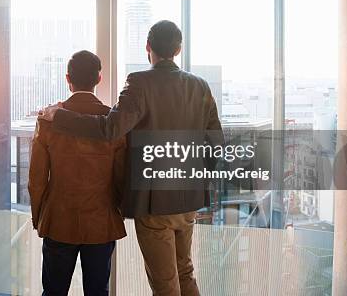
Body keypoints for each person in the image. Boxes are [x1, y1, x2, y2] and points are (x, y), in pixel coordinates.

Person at [39, 20, 222, 296]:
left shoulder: (139, 83)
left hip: (154, 204)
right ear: (178, 48)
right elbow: (214, 145)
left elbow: (109, 128)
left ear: (148, 47)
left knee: (165, 283)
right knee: (185, 271)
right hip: (188, 200)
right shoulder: (200, 86)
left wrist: (60, 115)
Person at [29, 50, 127, 296]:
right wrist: (118, 211)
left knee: (53, 291)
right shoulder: (112, 121)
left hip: (58, 220)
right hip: (101, 221)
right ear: (99, 79)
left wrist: (38, 215)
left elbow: (37, 180)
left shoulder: (48, 119)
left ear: (67, 78)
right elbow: (121, 176)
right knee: (97, 292)